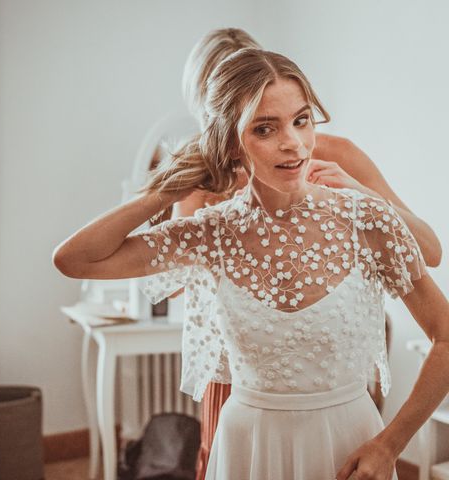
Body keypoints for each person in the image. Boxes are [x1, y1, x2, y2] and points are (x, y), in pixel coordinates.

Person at [54, 48, 449, 479]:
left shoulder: (364, 218)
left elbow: (446, 336)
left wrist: (389, 445)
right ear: (229, 144)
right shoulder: (212, 233)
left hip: (348, 442)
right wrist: (169, 187)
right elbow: (74, 259)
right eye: (265, 128)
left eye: (301, 120)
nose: (293, 144)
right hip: (248, 448)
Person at [176, 28, 442, 479]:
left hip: (331, 359)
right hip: (243, 374)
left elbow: (429, 250)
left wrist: (359, 195)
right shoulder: (205, 180)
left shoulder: (331, 155)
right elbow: (187, 284)